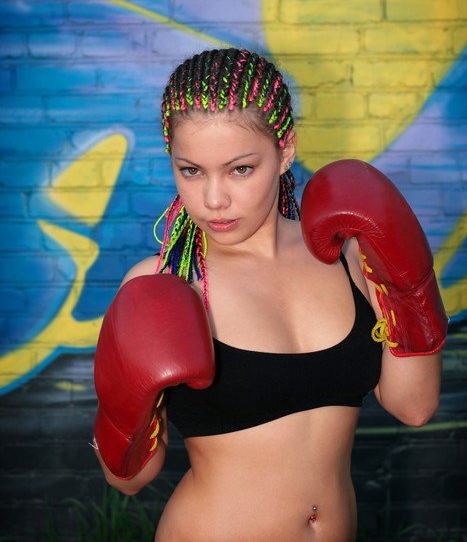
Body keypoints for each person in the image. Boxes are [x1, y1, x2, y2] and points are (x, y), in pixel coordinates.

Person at [92, 48, 447, 542]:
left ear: (285, 152)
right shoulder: (163, 283)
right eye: (191, 171)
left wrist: (408, 290)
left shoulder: (348, 259)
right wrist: (118, 414)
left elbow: (415, 406)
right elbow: (129, 480)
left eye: (240, 169)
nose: (214, 199)